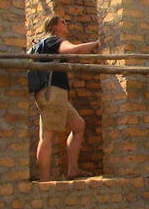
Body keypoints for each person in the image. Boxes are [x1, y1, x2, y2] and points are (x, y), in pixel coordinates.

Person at [32, 15, 100, 181]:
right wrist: (95, 44)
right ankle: (45, 180)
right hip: (52, 92)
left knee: (78, 125)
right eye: (63, 22)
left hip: (53, 93)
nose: (66, 24)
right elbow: (72, 50)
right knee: (47, 135)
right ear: (55, 26)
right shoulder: (54, 41)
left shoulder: (42, 44)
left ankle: (73, 169)